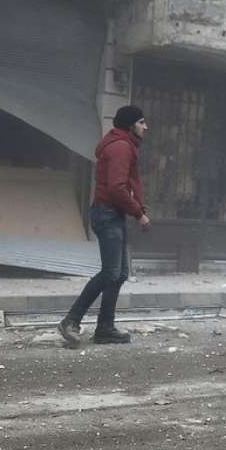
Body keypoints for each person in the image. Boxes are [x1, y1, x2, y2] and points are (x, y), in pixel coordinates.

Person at [59, 105, 152, 347]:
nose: (146, 127)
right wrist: (138, 214)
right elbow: (117, 188)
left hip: (112, 213)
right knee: (110, 272)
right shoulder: (121, 147)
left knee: (119, 273)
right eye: (142, 122)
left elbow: (124, 186)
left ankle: (105, 328)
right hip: (108, 213)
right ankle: (71, 321)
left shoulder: (123, 144)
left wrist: (136, 209)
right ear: (130, 125)